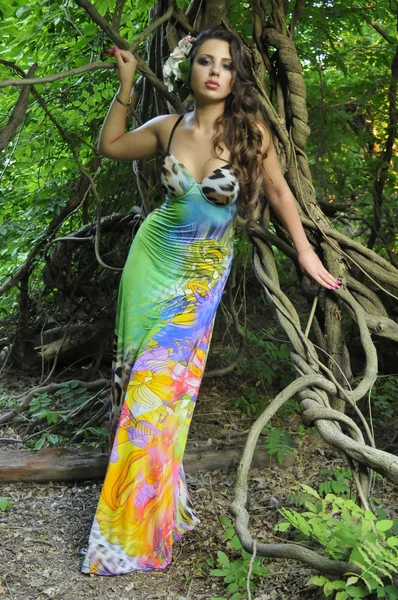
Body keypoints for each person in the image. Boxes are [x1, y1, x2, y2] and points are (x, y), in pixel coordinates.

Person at [81, 27, 342, 576]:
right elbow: (109, 146)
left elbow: (278, 193)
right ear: (191, 70)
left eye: (225, 64)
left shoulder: (251, 132)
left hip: (201, 277)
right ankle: (145, 510)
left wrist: (305, 254)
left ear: (234, 76)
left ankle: (127, 536)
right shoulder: (167, 128)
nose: (215, 71)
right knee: (135, 385)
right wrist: (126, 84)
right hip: (149, 265)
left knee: (161, 396)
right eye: (205, 61)